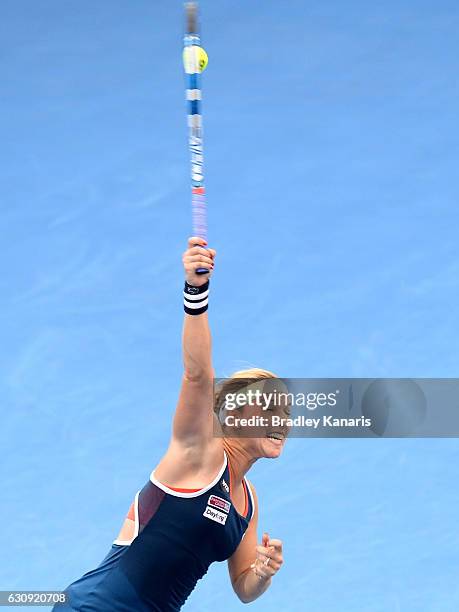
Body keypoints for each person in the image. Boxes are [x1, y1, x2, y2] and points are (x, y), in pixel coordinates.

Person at [54, 237, 285, 611]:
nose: (282, 422)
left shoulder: (249, 502)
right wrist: (196, 291)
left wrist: (263, 571)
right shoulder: (201, 454)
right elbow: (197, 375)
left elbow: (244, 587)